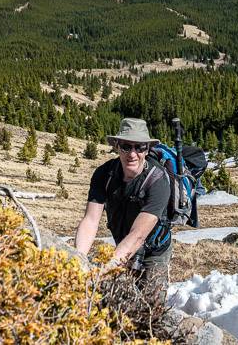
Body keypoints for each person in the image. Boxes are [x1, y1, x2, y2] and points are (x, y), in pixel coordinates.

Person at [74, 118, 172, 286]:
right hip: (122, 244)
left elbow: (138, 235)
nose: (132, 154)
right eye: (126, 146)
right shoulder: (104, 174)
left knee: (150, 303)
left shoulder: (158, 181)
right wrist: (77, 261)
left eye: (139, 147)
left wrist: (105, 270)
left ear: (147, 149)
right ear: (117, 147)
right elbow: (90, 220)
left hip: (154, 251)